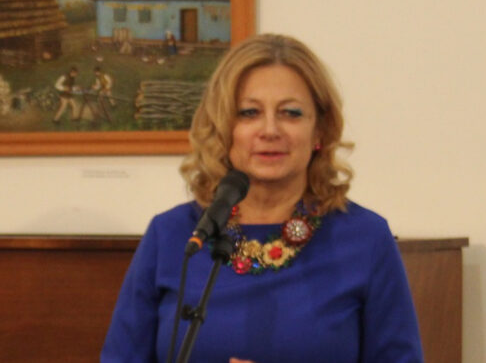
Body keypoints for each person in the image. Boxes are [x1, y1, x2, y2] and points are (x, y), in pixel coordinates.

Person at [101, 34, 423, 363]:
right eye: (249, 112)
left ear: (319, 130)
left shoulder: (366, 239)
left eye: (291, 113)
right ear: (223, 128)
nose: (269, 130)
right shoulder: (174, 235)